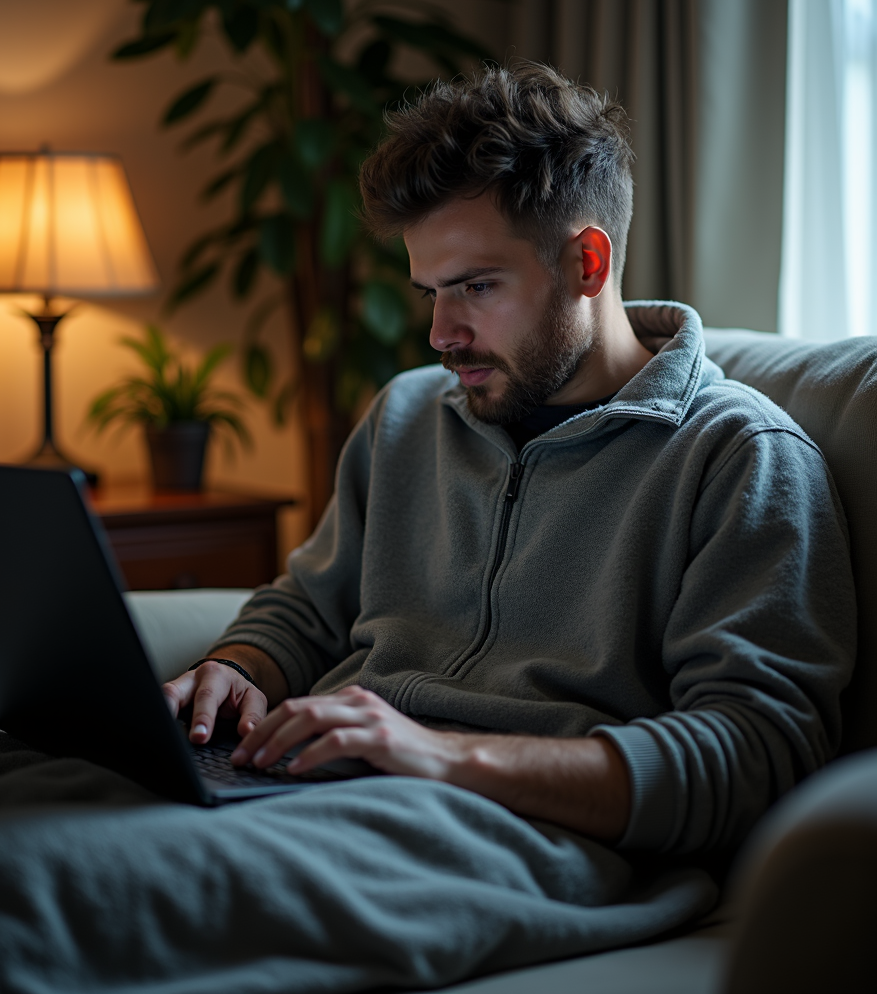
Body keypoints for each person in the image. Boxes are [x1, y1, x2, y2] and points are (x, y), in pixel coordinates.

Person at [164, 62, 855, 855]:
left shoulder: (738, 458)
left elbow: (757, 758)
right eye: (431, 292)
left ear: (587, 265)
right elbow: (309, 609)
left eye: (477, 287)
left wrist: (439, 757)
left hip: (505, 835)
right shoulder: (406, 417)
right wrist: (236, 669)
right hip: (300, 784)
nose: (440, 334)